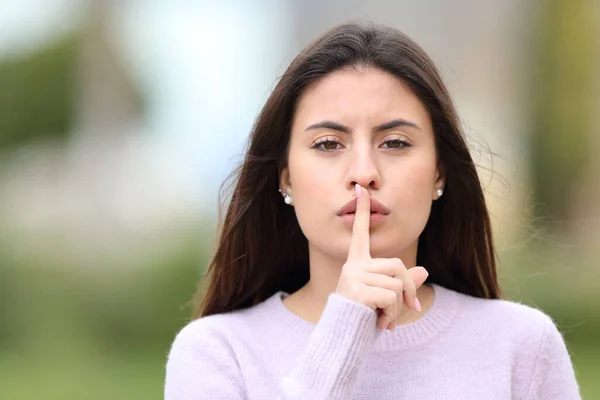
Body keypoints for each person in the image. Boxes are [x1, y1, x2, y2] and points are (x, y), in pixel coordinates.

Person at [164, 21, 581, 399]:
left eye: (395, 142)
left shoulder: (521, 344)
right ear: (285, 177)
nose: (363, 173)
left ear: (440, 171)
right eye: (328, 144)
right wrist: (344, 328)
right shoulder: (217, 352)